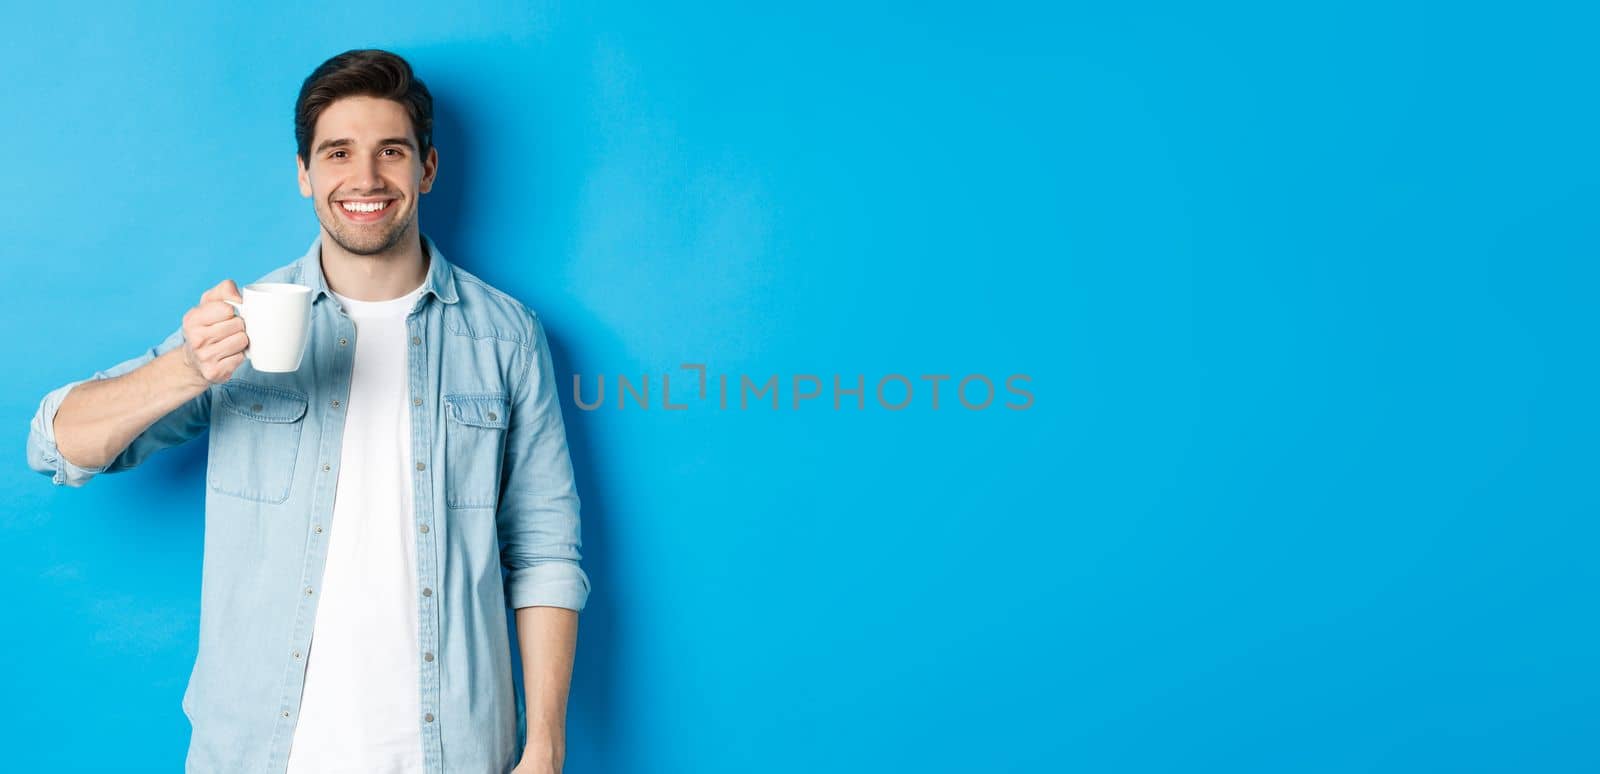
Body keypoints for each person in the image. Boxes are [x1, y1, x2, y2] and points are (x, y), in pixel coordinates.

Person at [24, 49, 589, 774]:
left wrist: (543, 748)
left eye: (391, 151)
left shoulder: (507, 336)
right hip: (260, 755)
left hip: (454, 753)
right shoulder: (242, 322)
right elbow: (55, 443)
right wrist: (187, 369)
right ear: (304, 174)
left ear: (428, 169)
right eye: (337, 153)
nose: (365, 179)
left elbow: (545, 551)